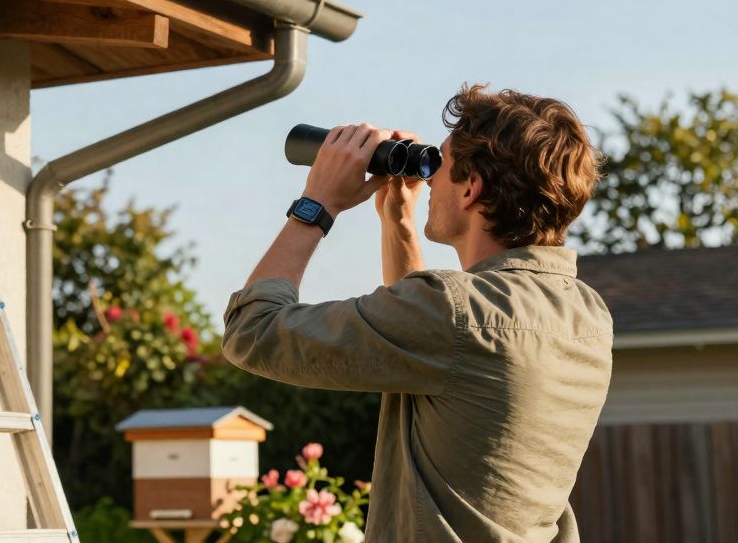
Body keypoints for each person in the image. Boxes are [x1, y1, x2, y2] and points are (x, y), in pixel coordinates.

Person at [222, 84, 613, 542]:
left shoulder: (454, 312)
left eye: (440, 164)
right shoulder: (587, 315)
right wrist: (398, 222)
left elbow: (252, 331)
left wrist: (318, 202)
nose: (428, 178)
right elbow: (429, 352)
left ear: (471, 189)